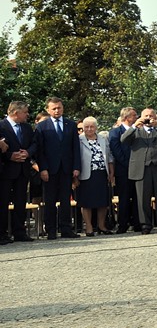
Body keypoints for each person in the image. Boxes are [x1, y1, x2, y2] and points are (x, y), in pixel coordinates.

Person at [35, 96, 81, 239]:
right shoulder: (42, 126)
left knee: (65, 200)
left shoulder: (70, 124)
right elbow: (39, 150)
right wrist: (42, 168)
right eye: (54, 108)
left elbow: (75, 148)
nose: (57, 110)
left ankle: (66, 228)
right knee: (50, 200)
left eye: (59, 107)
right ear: (48, 110)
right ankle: (51, 230)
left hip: (66, 168)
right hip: (49, 169)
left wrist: (76, 166)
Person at [121, 108, 157, 234]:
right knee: (143, 197)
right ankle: (145, 224)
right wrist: (134, 126)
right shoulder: (136, 131)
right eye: (146, 116)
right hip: (141, 168)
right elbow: (123, 140)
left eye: (151, 116)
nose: (149, 118)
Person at [0, 101, 36, 244]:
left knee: (20, 202)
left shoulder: (27, 128)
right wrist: (10, 156)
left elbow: (35, 143)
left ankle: (19, 231)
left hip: (23, 170)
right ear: (16, 113)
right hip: (6, 171)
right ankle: (2, 233)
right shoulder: (1, 126)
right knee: (2, 202)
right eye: (25, 112)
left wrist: (28, 153)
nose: (27, 115)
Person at [76, 117, 114, 236]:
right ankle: (89, 227)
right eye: (86, 127)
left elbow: (109, 156)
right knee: (86, 202)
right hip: (86, 174)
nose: (89, 129)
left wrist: (111, 172)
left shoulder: (103, 139)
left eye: (92, 126)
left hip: (101, 173)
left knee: (102, 202)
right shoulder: (79, 140)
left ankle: (102, 226)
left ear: (96, 128)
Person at [107, 108, 140, 233]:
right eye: (134, 115)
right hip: (123, 170)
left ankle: (137, 223)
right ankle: (122, 224)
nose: (136, 117)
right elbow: (117, 152)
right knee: (124, 198)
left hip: (139, 170)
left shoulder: (139, 130)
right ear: (127, 117)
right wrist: (130, 165)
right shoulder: (115, 132)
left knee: (138, 197)